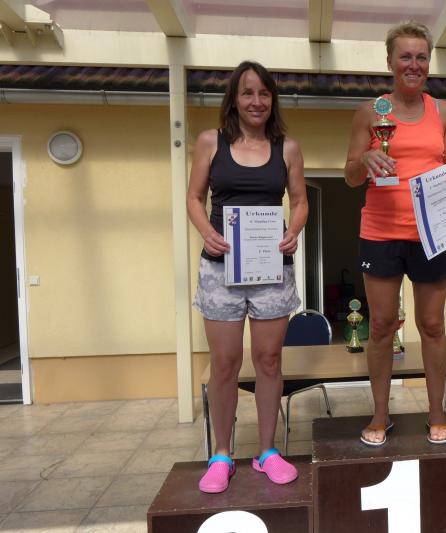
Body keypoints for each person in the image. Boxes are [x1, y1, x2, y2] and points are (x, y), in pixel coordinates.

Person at [344, 21, 446, 446]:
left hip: (432, 234)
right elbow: (349, 176)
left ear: (428, 63)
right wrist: (365, 160)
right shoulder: (370, 112)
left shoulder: (444, 112)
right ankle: (380, 415)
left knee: (432, 325)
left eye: (421, 57)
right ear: (390, 62)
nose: (413, 65)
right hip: (380, 232)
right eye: (405, 56)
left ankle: (436, 413)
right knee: (381, 325)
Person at [187, 60, 308, 493]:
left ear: (272, 98)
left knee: (269, 361)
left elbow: (299, 201)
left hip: (270, 268)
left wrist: (294, 231)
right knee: (224, 363)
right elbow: (194, 197)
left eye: (263, 93)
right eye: (247, 93)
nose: (256, 101)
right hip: (220, 268)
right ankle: (222, 455)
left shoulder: (287, 148)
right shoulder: (210, 142)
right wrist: (207, 231)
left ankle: (267, 451)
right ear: (234, 99)